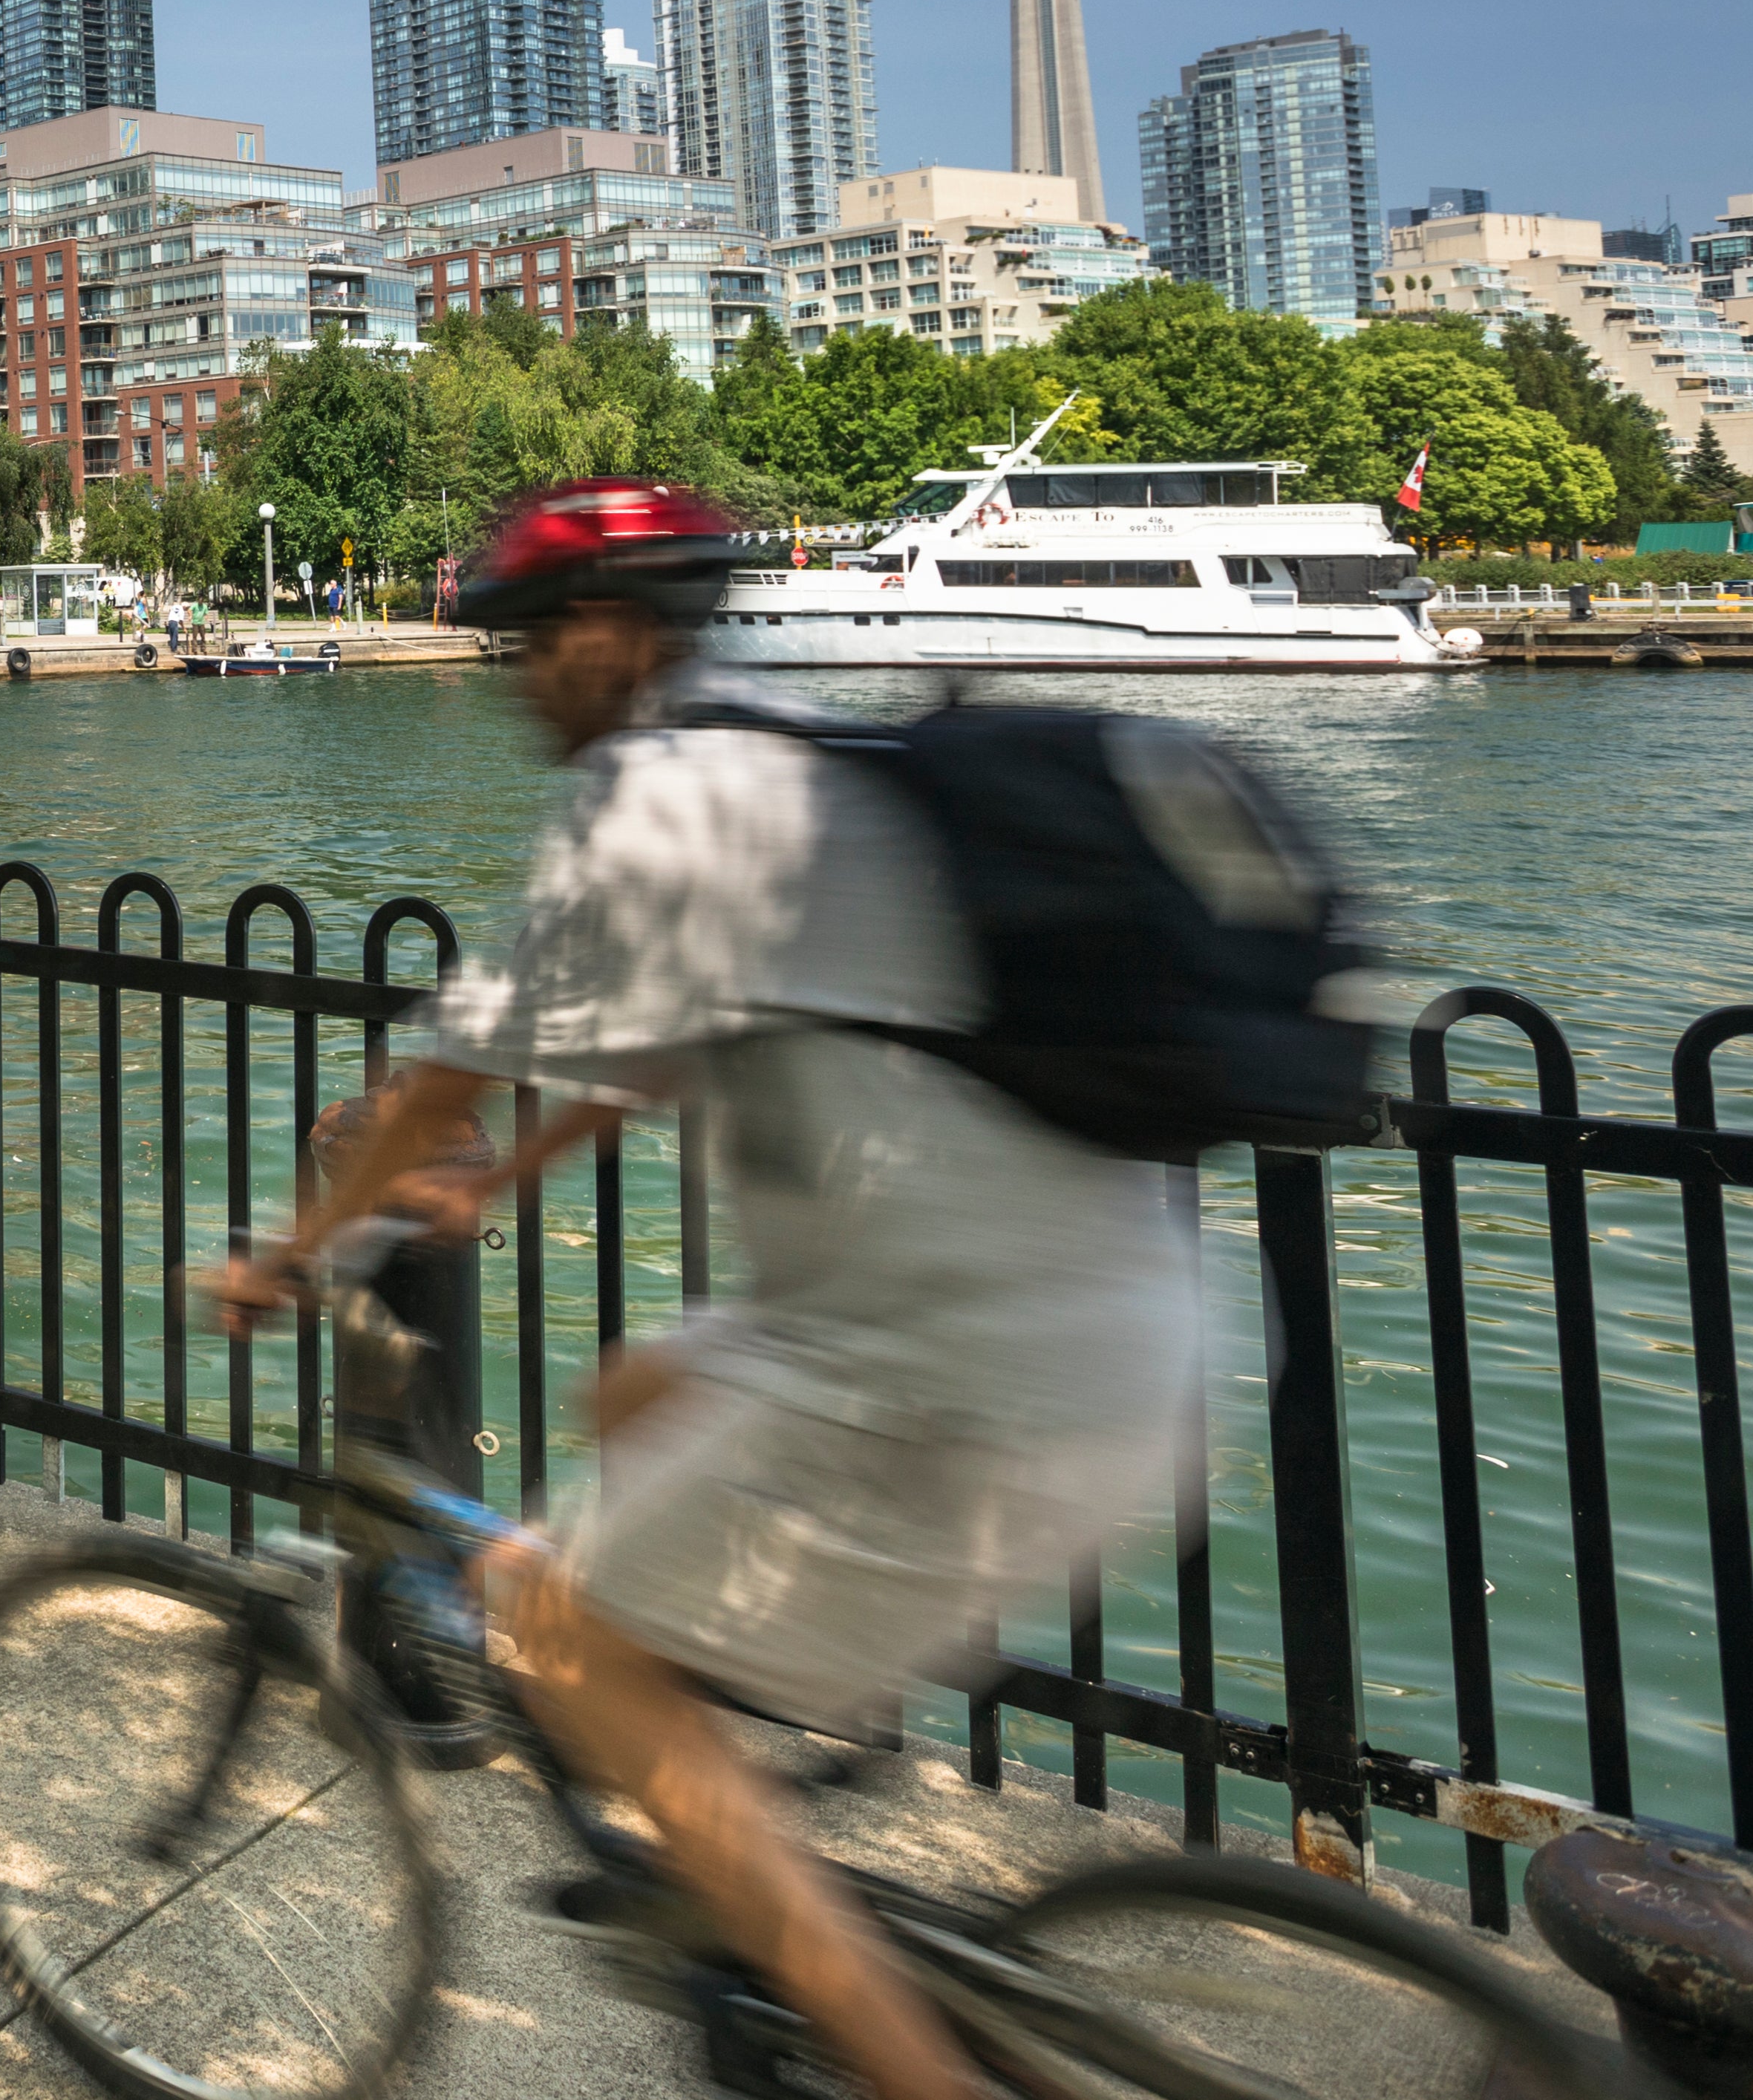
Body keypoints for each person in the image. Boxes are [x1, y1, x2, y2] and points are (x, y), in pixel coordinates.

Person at [205, 480, 1194, 2100]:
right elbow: (657, 1039)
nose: (513, 675)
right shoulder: (796, 746)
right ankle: (765, 1790)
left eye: (528, 642)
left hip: (950, 1362)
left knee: (550, 1632)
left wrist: (288, 1255)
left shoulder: (654, 801)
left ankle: (870, 2029)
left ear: (610, 633)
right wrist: (503, 1187)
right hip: (1100, 1308)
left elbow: (442, 1080)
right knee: (629, 1398)